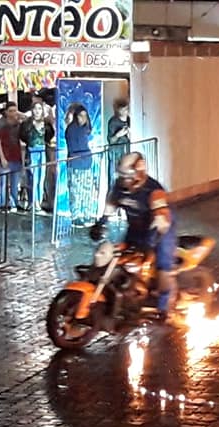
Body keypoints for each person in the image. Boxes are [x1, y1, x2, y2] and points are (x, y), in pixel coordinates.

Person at [90, 152, 176, 320]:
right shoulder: (119, 187)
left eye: (128, 176)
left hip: (161, 229)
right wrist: (101, 224)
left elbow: (161, 220)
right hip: (136, 227)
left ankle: (164, 308)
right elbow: (111, 204)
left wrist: (151, 243)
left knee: (164, 267)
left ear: (139, 173)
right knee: (122, 259)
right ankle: (127, 293)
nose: (125, 180)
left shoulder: (154, 191)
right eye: (122, 176)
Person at [19, 100, 54, 212]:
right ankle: (31, 201)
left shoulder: (46, 124)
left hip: (42, 151)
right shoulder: (27, 123)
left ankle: (38, 202)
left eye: (39, 109)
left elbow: (50, 135)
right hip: (31, 151)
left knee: (41, 177)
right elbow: (22, 135)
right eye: (35, 108)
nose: (37, 111)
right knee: (32, 177)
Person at [65, 104, 94, 226]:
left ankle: (87, 214)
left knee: (86, 190)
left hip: (86, 162)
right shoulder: (71, 129)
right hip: (76, 162)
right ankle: (76, 216)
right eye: (80, 115)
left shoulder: (85, 129)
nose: (83, 118)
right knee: (75, 191)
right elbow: (73, 147)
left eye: (85, 116)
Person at [106, 98, 131, 185]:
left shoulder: (129, 120)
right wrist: (118, 135)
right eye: (122, 109)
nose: (125, 112)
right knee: (115, 180)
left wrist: (130, 135)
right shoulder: (113, 122)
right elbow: (110, 141)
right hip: (115, 155)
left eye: (126, 109)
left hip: (126, 154)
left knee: (126, 178)